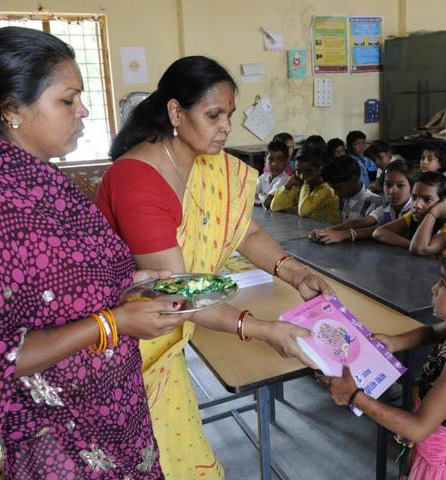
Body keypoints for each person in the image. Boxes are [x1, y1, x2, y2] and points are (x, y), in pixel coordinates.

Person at [0, 27, 185, 479]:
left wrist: (131, 288)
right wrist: (114, 322)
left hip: (111, 418)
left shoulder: (44, 185)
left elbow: (62, 288)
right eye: (68, 100)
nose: (83, 110)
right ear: (12, 110)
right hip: (55, 441)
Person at [96, 55, 331, 479]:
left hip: (165, 338)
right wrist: (262, 329)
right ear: (175, 112)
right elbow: (177, 296)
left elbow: (247, 232)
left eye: (229, 115)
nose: (225, 126)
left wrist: (296, 273)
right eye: (213, 114)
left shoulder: (207, 164)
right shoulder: (138, 179)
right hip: (128, 353)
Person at [318, 244, 446, 480]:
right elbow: (432, 331)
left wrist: (355, 396)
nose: (434, 288)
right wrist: (395, 342)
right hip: (439, 445)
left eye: (443, 284)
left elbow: (418, 428)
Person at [310, 159, 414, 244]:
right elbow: (362, 222)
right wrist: (329, 231)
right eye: (388, 185)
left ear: (412, 187)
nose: (392, 191)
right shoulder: (386, 209)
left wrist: (342, 234)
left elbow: (377, 230)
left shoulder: (414, 210)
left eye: (400, 186)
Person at [373, 172, 446, 257]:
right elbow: (379, 232)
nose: (417, 205)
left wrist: (434, 212)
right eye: (414, 197)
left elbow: (419, 249)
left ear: (443, 202)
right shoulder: (415, 215)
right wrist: (410, 244)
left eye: (427, 200)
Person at [271, 145, 341, 224]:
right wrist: (287, 185)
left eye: (308, 171)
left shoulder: (326, 188)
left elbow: (303, 211)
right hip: (310, 231)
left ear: (321, 169)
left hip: (329, 232)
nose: (302, 176)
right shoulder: (298, 186)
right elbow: (275, 206)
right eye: (298, 171)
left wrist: (305, 184)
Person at [322, 157, 380, 222]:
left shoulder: (373, 202)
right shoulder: (345, 199)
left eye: (338, 188)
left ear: (353, 179)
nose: (335, 193)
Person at [255, 140, 290, 208]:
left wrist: (259, 195)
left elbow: (268, 203)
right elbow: (249, 197)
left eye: (280, 160)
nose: (275, 164)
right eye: (271, 159)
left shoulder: (285, 179)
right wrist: (262, 198)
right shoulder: (263, 177)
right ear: (265, 161)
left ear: (287, 162)